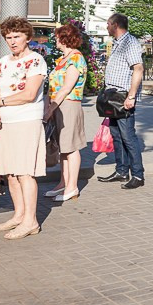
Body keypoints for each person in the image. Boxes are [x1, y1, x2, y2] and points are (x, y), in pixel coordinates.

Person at [0, 17, 48, 240]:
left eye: (17, 36)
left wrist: (0, 103)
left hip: (26, 120)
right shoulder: (3, 61)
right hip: (5, 122)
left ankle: (31, 221)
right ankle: (19, 215)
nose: (13, 41)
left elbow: (29, 94)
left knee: (24, 172)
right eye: (9, 37)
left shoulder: (35, 61)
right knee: (10, 172)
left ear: (27, 38)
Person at [97, 13, 145, 189]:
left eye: (108, 24)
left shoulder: (130, 42)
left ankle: (138, 175)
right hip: (113, 96)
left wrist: (131, 96)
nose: (107, 27)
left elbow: (138, 69)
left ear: (115, 25)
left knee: (128, 136)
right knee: (116, 135)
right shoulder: (118, 43)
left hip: (123, 97)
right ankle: (122, 171)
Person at [43, 23, 87, 203]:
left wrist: (50, 108)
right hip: (59, 105)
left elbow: (66, 88)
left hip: (68, 105)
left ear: (64, 38)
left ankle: (72, 186)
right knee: (63, 147)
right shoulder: (64, 58)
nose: (55, 40)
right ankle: (63, 183)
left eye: (57, 37)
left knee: (71, 147)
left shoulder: (75, 58)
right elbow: (53, 87)